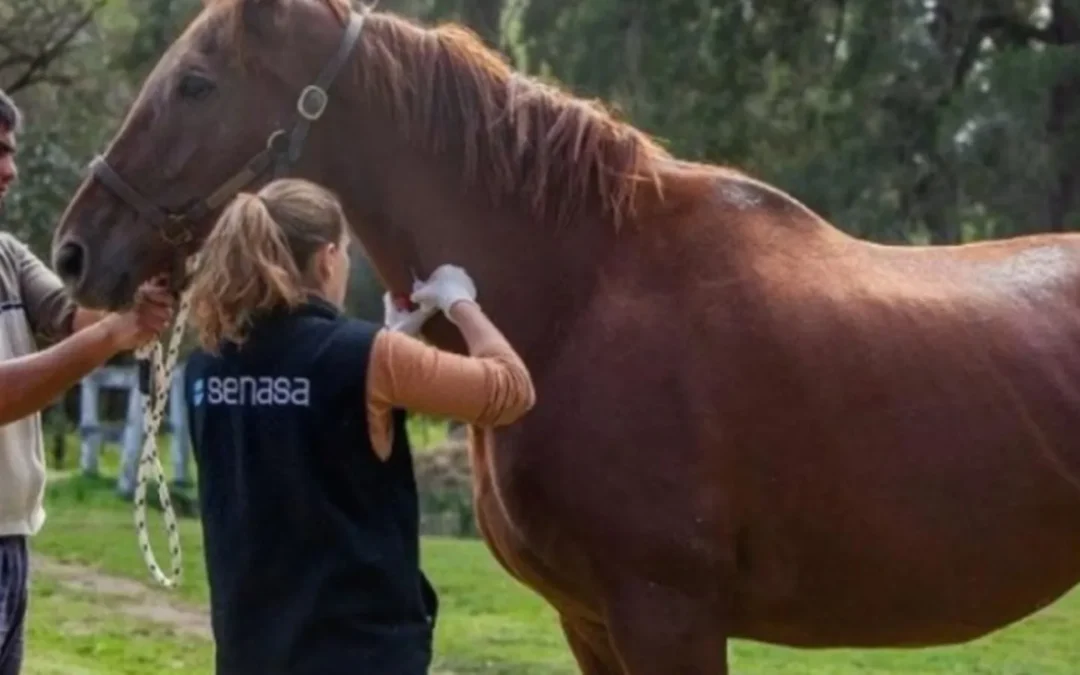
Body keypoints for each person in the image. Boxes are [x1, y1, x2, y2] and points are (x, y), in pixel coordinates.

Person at [183, 177, 535, 675]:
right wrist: (461, 303)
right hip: (358, 650)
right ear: (327, 257)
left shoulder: (206, 365)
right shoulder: (364, 356)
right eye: (345, 253)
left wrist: (391, 342)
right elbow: (510, 390)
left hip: (250, 648)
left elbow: (290, 433)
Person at [0, 87, 175, 675]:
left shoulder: (5, 255)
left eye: (12, 152)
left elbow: (74, 317)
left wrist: (145, 291)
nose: (11, 170)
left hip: (11, 539)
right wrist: (116, 334)